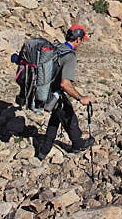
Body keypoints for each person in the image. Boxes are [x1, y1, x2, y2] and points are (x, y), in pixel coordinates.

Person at [35, 24, 95, 160]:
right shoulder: (69, 56)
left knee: (57, 116)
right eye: (82, 41)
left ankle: (43, 151)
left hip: (45, 90)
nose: (81, 44)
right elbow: (65, 84)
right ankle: (78, 143)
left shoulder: (57, 48)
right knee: (69, 115)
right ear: (78, 39)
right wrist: (81, 98)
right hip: (53, 92)